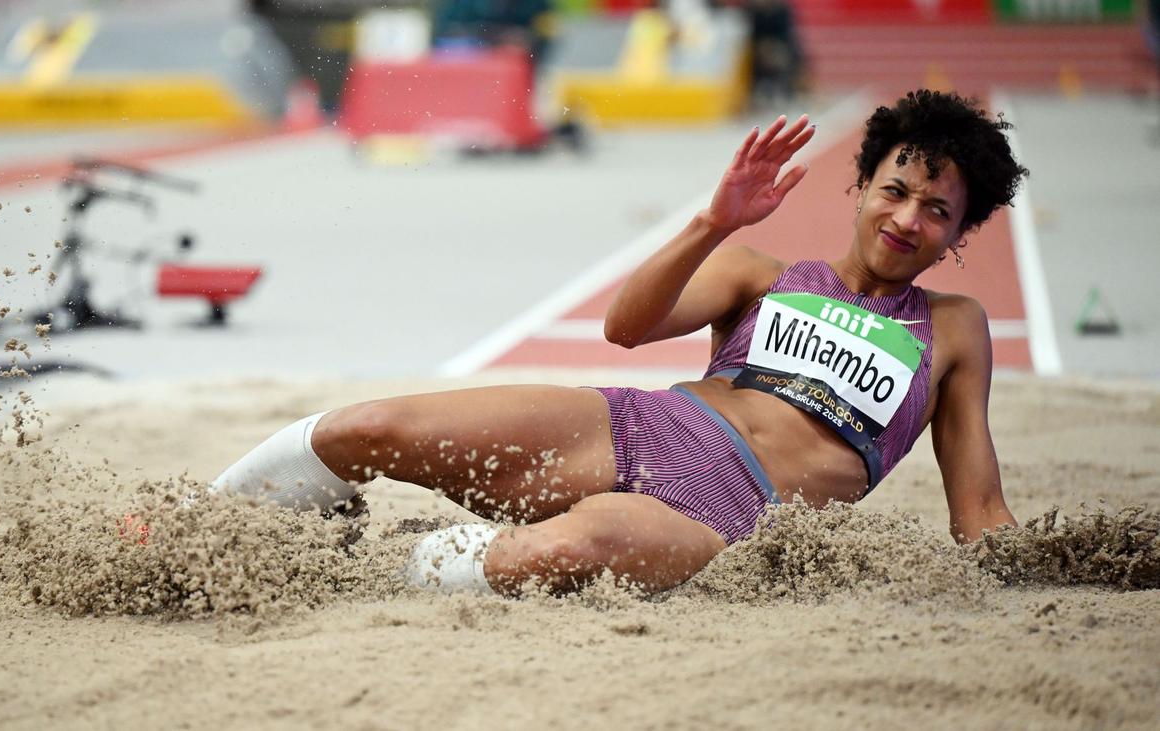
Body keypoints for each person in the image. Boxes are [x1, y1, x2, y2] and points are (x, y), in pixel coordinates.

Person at [212, 89, 1028, 597]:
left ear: (961, 233)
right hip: (636, 426)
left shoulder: (953, 328)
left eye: (937, 211)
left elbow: (980, 512)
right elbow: (625, 327)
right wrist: (713, 223)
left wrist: (1065, 563)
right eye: (895, 190)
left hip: (737, 511)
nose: (906, 219)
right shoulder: (763, 272)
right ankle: (197, 530)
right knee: (372, 426)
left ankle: (368, 574)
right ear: (862, 186)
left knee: (566, 547)